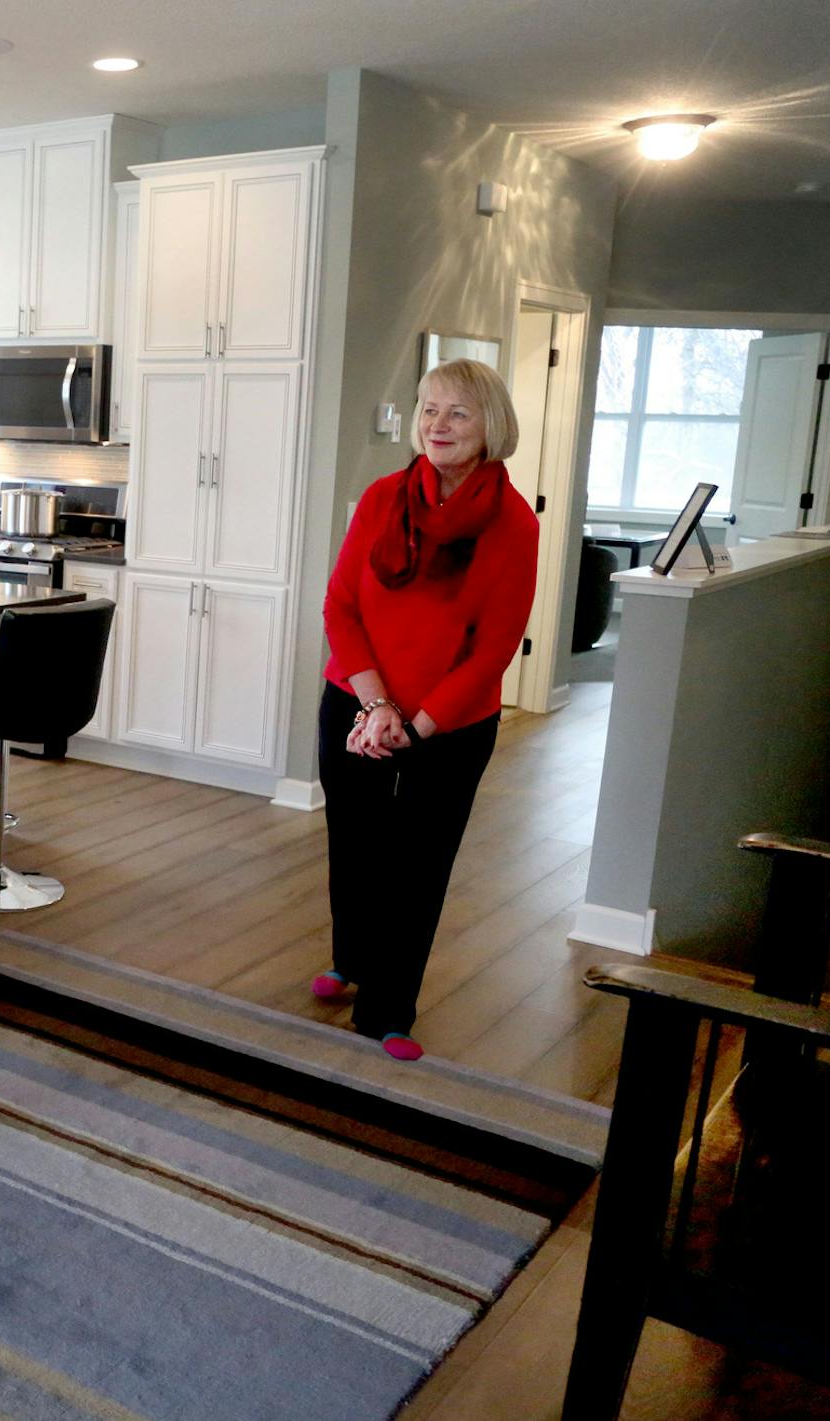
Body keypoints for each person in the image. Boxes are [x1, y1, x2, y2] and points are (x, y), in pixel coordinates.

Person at [312, 358, 539, 1062]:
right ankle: (350, 960)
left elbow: (492, 651)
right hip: (356, 704)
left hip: (451, 724)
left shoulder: (514, 524)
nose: (437, 425)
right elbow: (340, 606)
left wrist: (414, 727)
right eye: (428, 408)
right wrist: (376, 705)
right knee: (354, 842)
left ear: (490, 425)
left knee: (417, 862)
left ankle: (388, 1009)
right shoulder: (382, 498)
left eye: (457, 412)